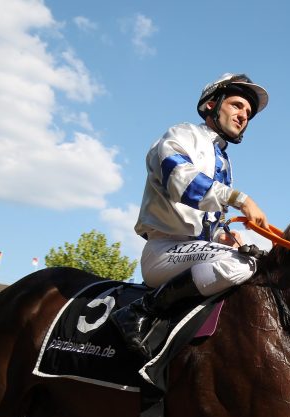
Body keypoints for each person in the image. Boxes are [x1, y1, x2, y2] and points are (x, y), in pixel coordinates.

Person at [111, 73, 270, 359]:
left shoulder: (223, 159)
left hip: (193, 252)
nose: (243, 116)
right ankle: (140, 310)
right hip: (164, 250)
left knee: (261, 256)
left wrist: (223, 236)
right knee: (242, 264)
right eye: (236, 105)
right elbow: (179, 180)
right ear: (211, 104)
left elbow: (206, 220)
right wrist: (240, 199)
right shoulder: (183, 134)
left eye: (248, 112)